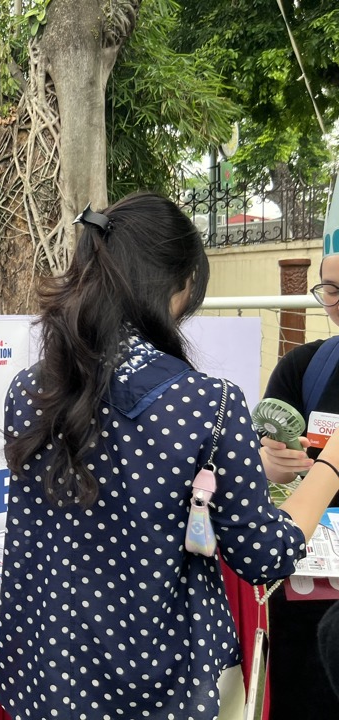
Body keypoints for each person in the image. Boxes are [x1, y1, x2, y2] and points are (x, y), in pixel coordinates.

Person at [0, 191, 339, 720]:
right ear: (181, 284)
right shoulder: (208, 402)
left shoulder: (30, 388)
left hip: (44, 675)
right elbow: (264, 555)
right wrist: (332, 465)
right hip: (156, 685)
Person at [257, 180, 339, 719]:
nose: (336, 303)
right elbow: (260, 466)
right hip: (305, 590)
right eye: (329, 290)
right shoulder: (302, 369)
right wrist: (268, 464)